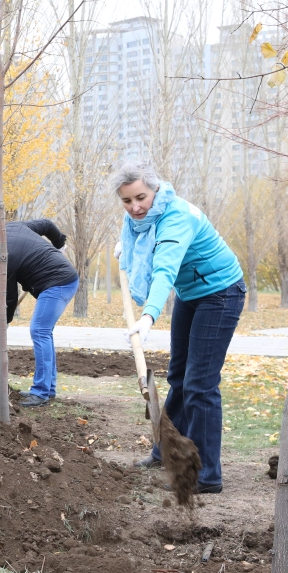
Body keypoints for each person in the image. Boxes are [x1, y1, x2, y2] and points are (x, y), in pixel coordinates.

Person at [115, 161, 245, 495]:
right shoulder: (139, 222)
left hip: (220, 293)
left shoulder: (177, 217)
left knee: (200, 384)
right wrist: (126, 250)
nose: (135, 207)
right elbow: (144, 249)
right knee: (178, 378)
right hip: (192, 294)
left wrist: (149, 316)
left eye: (141, 197)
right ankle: (165, 451)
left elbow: (165, 269)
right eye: (127, 201)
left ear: (155, 190)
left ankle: (207, 474)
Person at [0, 219, 78, 407]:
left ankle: (40, 392)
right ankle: (48, 389)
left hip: (57, 282)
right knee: (43, 332)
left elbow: (9, 296)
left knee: (39, 331)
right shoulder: (12, 227)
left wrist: (4, 320)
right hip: (64, 278)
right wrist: (59, 244)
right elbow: (47, 225)